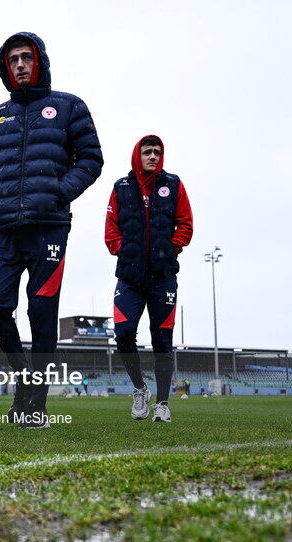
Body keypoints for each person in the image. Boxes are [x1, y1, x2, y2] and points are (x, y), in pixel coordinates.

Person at [0, 32, 103, 428]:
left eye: (26, 58)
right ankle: (24, 379)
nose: (20, 66)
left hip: (49, 228)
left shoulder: (68, 106)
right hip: (4, 229)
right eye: (12, 61)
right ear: (5, 69)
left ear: (40, 61)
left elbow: (92, 159)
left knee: (42, 315)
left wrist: (59, 192)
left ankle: (35, 406)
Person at [105, 135, 193, 422]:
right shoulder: (121, 187)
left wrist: (171, 248)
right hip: (130, 279)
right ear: (137, 155)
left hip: (163, 278)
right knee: (124, 334)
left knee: (162, 340)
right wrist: (124, 251)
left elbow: (186, 224)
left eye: (157, 152)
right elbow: (111, 231)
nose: (153, 156)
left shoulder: (174, 184)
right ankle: (139, 389)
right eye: (147, 152)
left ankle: (163, 404)